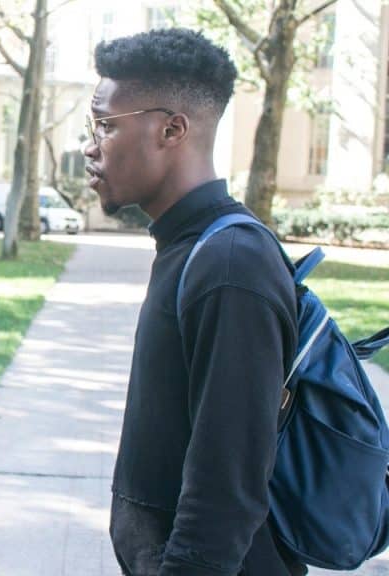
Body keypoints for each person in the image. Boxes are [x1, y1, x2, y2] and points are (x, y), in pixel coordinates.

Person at [83, 29, 302, 576]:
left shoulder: (230, 265)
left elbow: (226, 494)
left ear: (172, 130)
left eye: (106, 125)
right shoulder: (190, 245)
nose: (90, 146)